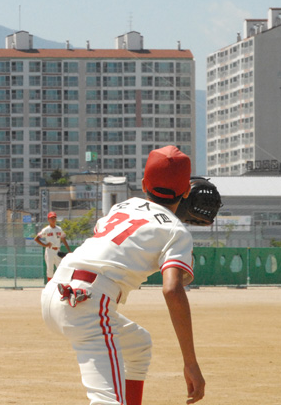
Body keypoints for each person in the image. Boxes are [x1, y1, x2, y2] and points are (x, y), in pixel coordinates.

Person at [41, 145, 205, 405]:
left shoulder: (122, 206)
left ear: (144, 184)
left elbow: (107, 239)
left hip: (55, 292)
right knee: (107, 401)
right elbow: (172, 289)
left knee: (139, 345)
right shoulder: (176, 231)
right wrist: (191, 363)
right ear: (186, 191)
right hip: (87, 302)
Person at [34, 211, 72, 281]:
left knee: (61, 268)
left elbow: (63, 239)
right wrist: (45, 245)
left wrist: (69, 250)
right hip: (50, 251)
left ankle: (60, 284)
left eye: (54, 218)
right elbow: (36, 238)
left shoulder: (59, 229)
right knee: (50, 269)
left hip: (57, 250)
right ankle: (49, 285)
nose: (53, 219)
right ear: (48, 219)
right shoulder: (46, 229)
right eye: (51, 218)